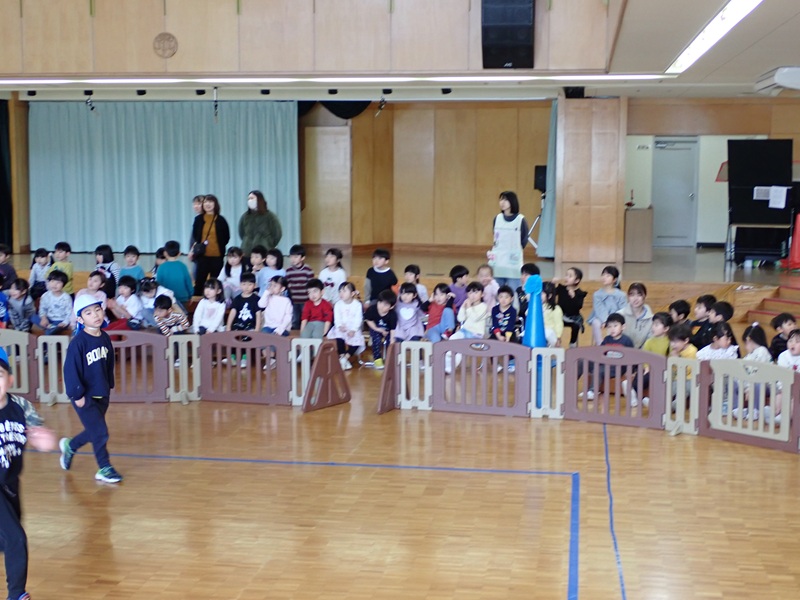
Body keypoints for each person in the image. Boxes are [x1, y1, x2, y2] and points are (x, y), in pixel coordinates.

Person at [0, 347, 48, 600]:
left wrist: (43, 438)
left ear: (9, 380)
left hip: (9, 483)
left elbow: (39, 432)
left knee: (6, 541)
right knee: (16, 538)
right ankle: (16, 594)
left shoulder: (21, 407)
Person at [60, 295, 122, 484]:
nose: (95, 315)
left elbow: (109, 363)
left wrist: (109, 384)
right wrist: (77, 394)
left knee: (94, 430)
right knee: (100, 431)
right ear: (80, 319)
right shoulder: (78, 343)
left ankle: (71, 445)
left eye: (97, 310)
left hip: (102, 392)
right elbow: (70, 370)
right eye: (88, 313)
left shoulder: (104, 337)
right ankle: (104, 467)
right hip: (84, 396)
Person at [622, 312, 673, 408]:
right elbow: (645, 357)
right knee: (641, 373)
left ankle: (633, 394)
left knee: (648, 376)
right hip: (650, 368)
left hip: (662, 369)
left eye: (657, 325)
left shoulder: (670, 342)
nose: (653, 327)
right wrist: (646, 367)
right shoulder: (649, 342)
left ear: (666, 328)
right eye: (653, 324)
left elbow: (671, 359)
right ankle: (634, 394)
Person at [580, 313, 634, 400]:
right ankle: (571, 383)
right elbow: (600, 353)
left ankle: (593, 391)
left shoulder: (627, 341)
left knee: (599, 370)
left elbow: (632, 357)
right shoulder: (607, 339)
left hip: (617, 367)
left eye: (615, 326)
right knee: (582, 361)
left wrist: (630, 371)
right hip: (604, 363)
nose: (612, 329)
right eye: (609, 326)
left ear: (623, 327)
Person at [488, 190, 529, 290]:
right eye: (501, 200)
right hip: (498, 263)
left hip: (513, 265)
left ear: (512, 202)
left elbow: (524, 240)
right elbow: (496, 238)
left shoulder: (520, 219)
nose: (502, 202)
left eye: (506, 200)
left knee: (514, 293)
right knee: (497, 293)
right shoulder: (497, 218)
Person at [191, 194, 230, 296]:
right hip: (202, 256)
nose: (207, 204)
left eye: (210, 202)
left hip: (217, 257)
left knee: (215, 282)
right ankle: (197, 301)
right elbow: (196, 236)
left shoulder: (221, 220)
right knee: (199, 282)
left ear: (215, 204)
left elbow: (226, 237)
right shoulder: (198, 219)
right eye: (205, 202)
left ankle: (216, 300)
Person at [326, 282, 364, 371]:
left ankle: (345, 358)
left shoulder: (357, 304)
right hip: (341, 326)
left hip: (353, 328)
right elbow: (337, 318)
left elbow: (359, 318)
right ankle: (342, 356)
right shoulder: (338, 304)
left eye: (344, 291)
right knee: (339, 336)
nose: (341, 293)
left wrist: (353, 330)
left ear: (352, 293)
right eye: (340, 291)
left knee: (358, 340)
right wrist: (339, 326)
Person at [586, 266, 626, 346]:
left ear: (614, 280)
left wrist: (613, 320)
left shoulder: (621, 295)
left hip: (617, 317)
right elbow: (599, 309)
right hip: (600, 317)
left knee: (617, 325)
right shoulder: (597, 294)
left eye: (608, 275)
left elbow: (623, 309)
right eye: (603, 275)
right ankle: (600, 345)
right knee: (595, 322)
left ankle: (616, 344)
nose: (604, 277)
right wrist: (605, 321)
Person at [238, 190, 282, 255]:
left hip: (264, 251)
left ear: (259, 200)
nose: (250, 201)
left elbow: (277, 234)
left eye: (252, 198)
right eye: (248, 199)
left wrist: (269, 244)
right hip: (247, 252)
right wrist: (246, 241)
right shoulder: (245, 216)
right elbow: (241, 233)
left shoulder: (270, 216)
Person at [364, 290, 397, 369]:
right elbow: (369, 320)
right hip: (375, 328)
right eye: (380, 302)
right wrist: (377, 329)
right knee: (376, 339)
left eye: (385, 305)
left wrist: (392, 341)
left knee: (390, 342)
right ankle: (377, 359)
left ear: (391, 307)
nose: (381, 306)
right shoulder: (372, 309)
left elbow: (393, 330)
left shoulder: (393, 315)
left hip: (388, 331)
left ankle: (390, 359)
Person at [554, 267, 586, 348]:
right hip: (560, 316)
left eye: (570, 276)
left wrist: (574, 297)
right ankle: (556, 342)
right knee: (553, 323)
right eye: (566, 275)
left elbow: (578, 306)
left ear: (576, 280)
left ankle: (572, 344)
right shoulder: (561, 288)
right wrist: (552, 284)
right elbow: (551, 294)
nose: (566, 277)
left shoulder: (579, 293)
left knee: (576, 326)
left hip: (572, 318)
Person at [227, 273, 262, 346]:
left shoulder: (257, 299)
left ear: (255, 285)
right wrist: (228, 326)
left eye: (250, 284)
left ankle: (245, 352)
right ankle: (234, 351)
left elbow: (258, 314)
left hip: (251, 325)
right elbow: (232, 312)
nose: (246, 287)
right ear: (240, 285)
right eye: (244, 284)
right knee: (232, 336)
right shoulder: (237, 299)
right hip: (238, 324)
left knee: (248, 338)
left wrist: (257, 329)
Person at [156, 241, 193, 306]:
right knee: (182, 312)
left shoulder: (161, 267)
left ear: (165, 253)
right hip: (182, 298)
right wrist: (190, 295)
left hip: (166, 299)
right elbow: (188, 283)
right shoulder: (183, 266)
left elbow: (159, 284)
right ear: (179, 253)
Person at [286, 245, 314, 330]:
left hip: (305, 301)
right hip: (294, 300)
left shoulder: (308, 270)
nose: (293, 259)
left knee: (306, 319)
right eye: (291, 257)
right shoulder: (288, 270)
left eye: (296, 257)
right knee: (295, 320)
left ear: (302, 258)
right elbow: (288, 285)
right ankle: (295, 335)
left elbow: (311, 286)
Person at [37, 270, 72, 335]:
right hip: (48, 318)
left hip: (59, 320)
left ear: (63, 284)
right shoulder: (45, 295)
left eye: (58, 282)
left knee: (49, 333)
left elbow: (69, 313)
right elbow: (42, 309)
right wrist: (43, 318)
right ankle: (50, 327)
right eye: (52, 281)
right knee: (32, 317)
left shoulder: (66, 298)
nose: (54, 285)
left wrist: (65, 322)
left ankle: (51, 328)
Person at [620, 282, 654, 349]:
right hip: (622, 351)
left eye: (639, 295)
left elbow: (650, 341)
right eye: (632, 295)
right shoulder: (620, 315)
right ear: (628, 297)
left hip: (642, 353)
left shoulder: (652, 319)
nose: (635, 298)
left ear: (645, 296)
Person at [541, 281, 564, 348]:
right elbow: (527, 313)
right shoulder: (537, 307)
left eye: (542, 294)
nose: (539, 296)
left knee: (546, 333)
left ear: (550, 296)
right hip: (539, 332)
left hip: (550, 334)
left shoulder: (556, 309)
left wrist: (558, 337)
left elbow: (558, 324)